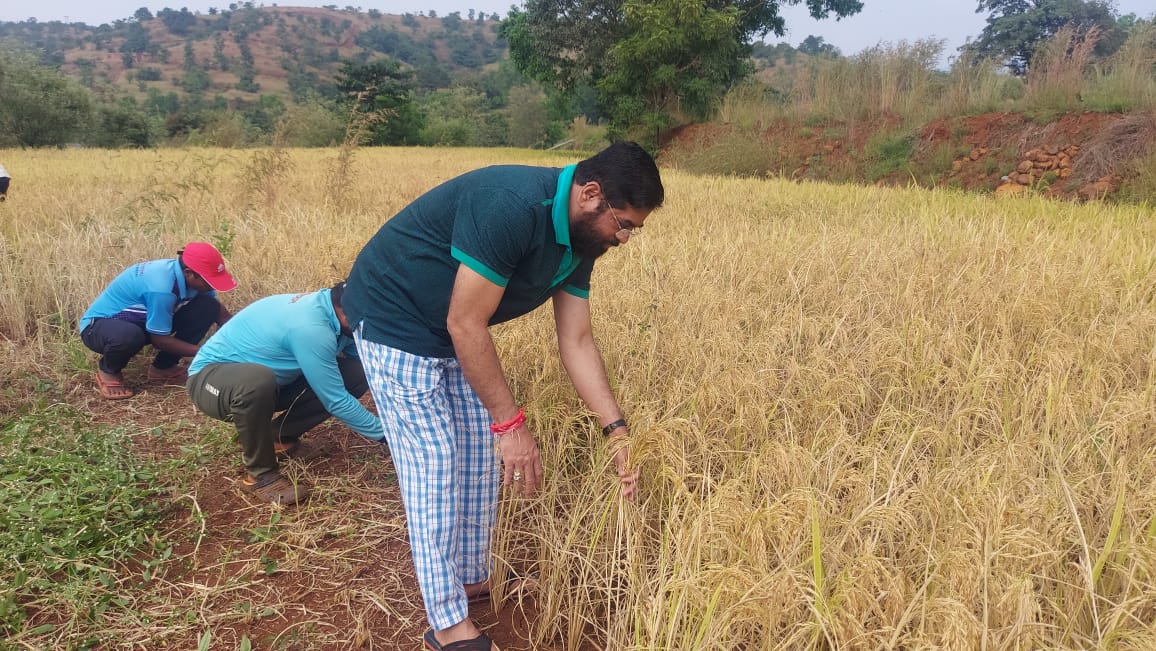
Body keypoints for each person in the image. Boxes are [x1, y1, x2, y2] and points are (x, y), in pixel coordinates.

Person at [343, 141, 664, 651]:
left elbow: (576, 340)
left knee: (476, 459)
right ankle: (448, 626)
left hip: (451, 332)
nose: (623, 238)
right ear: (591, 194)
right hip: (393, 319)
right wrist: (511, 425)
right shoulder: (510, 204)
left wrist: (615, 430)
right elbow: (465, 321)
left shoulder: (580, 242)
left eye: (632, 230)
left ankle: (470, 579)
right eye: (622, 223)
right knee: (435, 465)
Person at [185, 282, 385, 505]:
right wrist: (389, 436)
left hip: (271, 384)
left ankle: (277, 438)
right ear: (347, 309)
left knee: (355, 373)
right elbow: (335, 400)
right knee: (256, 382)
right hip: (211, 381)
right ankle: (260, 475)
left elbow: (367, 365)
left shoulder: (339, 317)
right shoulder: (311, 327)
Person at [79, 242, 236, 400]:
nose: (212, 286)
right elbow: (159, 340)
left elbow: (220, 314)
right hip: (99, 327)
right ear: (189, 274)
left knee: (208, 306)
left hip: (142, 322)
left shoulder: (191, 279)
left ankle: (163, 367)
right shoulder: (162, 288)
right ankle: (109, 370)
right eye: (209, 281)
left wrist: (241, 341)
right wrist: (207, 353)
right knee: (129, 336)